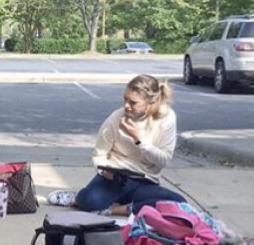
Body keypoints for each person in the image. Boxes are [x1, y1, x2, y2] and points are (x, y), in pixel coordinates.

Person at [48, 74, 187, 216]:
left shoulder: (167, 118)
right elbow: (99, 154)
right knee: (90, 202)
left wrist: (139, 139)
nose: (127, 106)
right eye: (125, 99)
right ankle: (80, 197)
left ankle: (117, 209)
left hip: (146, 181)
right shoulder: (115, 119)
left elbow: (163, 160)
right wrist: (103, 171)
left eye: (133, 102)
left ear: (150, 103)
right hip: (116, 179)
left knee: (178, 203)